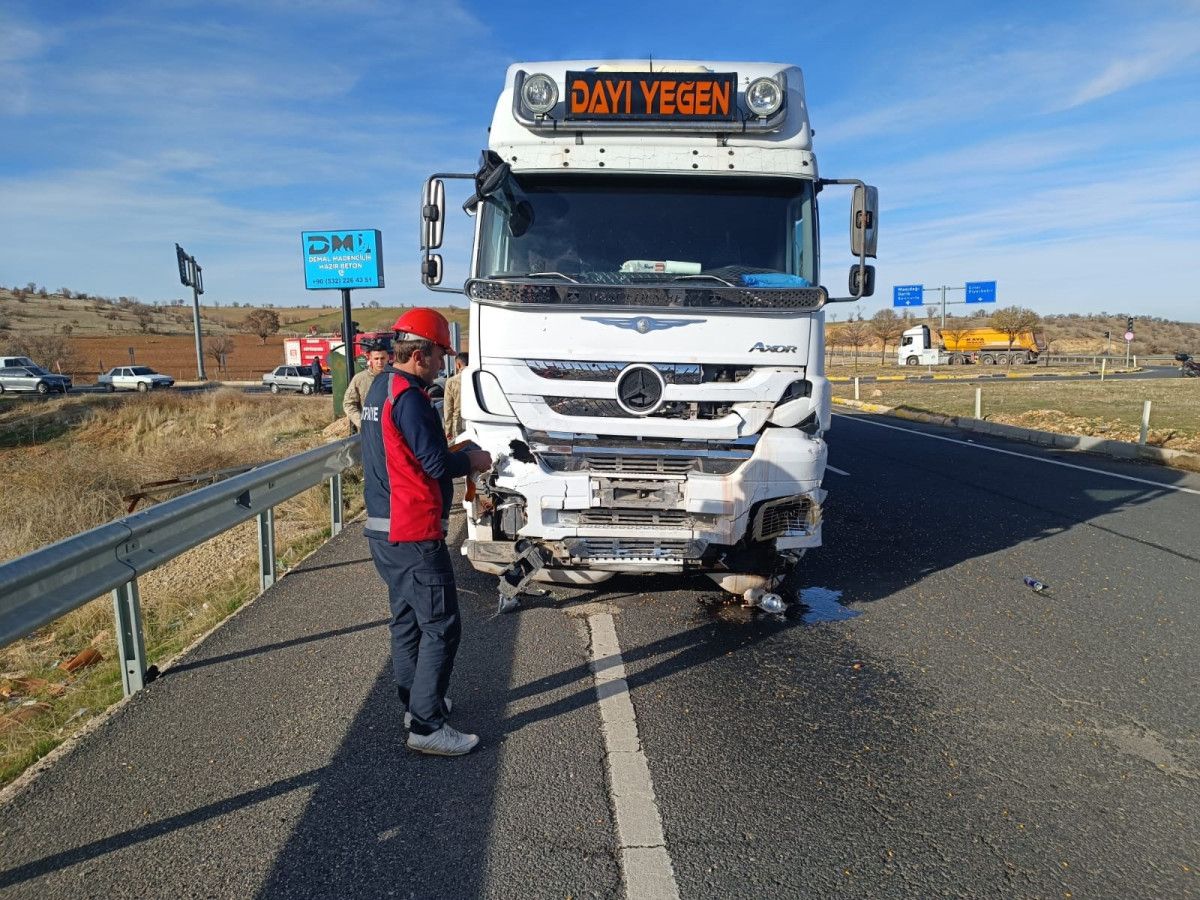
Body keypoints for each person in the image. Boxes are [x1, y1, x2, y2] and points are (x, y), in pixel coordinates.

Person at [360, 308, 492, 757]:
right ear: (419, 355)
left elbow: (405, 454)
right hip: (413, 531)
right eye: (438, 356)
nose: (441, 364)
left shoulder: (381, 388)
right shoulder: (411, 399)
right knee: (440, 625)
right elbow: (434, 464)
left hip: (384, 529)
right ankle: (426, 726)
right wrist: (472, 459)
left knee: (407, 622)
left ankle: (418, 704)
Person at [343, 344, 390, 430]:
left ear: (388, 358)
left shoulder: (394, 378)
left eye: (382, 358)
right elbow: (348, 404)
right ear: (370, 359)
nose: (379, 362)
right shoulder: (360, 379)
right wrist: (362, 423)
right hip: (368, 432)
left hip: (389, 431)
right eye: (376, 359)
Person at [442, 351, 469, 441]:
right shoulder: (480, 377)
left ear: (458, 365)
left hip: (459, 424)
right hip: (478, 422)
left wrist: (448, 431)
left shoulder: (451, 381)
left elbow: (448, 409)